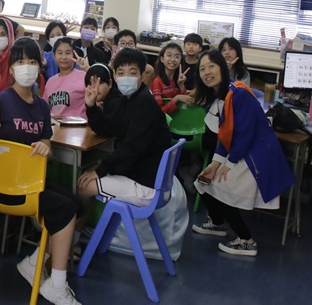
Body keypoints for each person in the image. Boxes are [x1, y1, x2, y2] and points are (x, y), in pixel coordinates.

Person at [0, 38, 84, 305]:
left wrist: (46, 147)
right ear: (11, 67)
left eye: (32, 61)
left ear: (40, 66)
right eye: (20, 61)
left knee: (75, 204)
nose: (26, 66)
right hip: (0, 186)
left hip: (29, 183)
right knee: (64, 209)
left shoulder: (42, 107)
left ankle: (35, 262)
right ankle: (57, 284)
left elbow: (46, 143)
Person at [192, 50, 294, 257]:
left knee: (222, 187)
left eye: (211, 66)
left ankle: (247, 241)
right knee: (203, 180)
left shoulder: (239, 93)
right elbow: (224, 135)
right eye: (202, 69)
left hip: (255, 156)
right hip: (242, 151)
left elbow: (245, 134)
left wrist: (228, 165)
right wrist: (215, 164)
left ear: (222, 67)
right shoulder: (219, 96)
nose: (207, 72)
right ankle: (218, 223)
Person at [79, 48, 171, 212]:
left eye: (132, 73)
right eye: (121, 73)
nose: (126, 77)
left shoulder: (144, 102)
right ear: (115, 77)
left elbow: (132, 148)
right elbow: (107, 128)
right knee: (86, 176)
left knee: (83, 186)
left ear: (142, 76)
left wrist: (101, 170)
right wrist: (91, 106)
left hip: (145, 184)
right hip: (140, 173)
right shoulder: (127, 100)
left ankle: (77, 228)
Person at [45, 37, 87, 119]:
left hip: (78, 125)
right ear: (54, 55)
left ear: (73, 55)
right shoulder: (50, 82)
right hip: (55, 126)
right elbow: (45, 107)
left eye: (68, 53)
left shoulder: (83, 76)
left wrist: (87, 68)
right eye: (60, 53)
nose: (64, 57)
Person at [151, 42, 193, 115]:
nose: (173, 59)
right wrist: (177, 98)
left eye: (177, 57)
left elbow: (187, 103)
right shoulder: (157, 82)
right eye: (169, 55)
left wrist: (181, 85)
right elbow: (159, 113)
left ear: (180, 60)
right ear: (162, 59)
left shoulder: (177, 80)